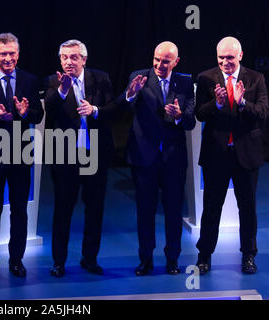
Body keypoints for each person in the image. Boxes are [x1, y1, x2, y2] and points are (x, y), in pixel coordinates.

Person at [117, 41, 195, 276]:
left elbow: (191, 121)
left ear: (176, 62)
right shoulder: (138, 77)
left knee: (173, 210)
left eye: (165, 61)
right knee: (145, 211)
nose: (160, 64)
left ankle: (173, 258)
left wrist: (180, 116)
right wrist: (130, 94)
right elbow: (123, 107)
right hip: (144, 157)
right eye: (157, 59)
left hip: (173, 158)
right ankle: (146, 259)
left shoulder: (185, 82)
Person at [0, 33, 43, 280]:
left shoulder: (30, 80)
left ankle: (16, 260)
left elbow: (37, 115)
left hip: (21, 156)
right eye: (3, 53)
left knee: (19, 211)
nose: (8, 58)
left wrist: (24, 113)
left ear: (18, 54)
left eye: (12, 53)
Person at [195, 36, 268, 275]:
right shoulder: (206, 79)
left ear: (240, 55)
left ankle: (248, 255)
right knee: (211, 208)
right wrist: (216, 105)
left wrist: (242, 101)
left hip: (246, 155)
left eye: (230, 57)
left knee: (247, 208)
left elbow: (263, 114)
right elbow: (199, 115)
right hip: (216, 155)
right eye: (221, 58)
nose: (225, 62)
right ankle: (204, 256)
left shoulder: (256, 79)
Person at [44, 39, 116, 277]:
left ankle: (90, 258)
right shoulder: (53, 82)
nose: (68, 62)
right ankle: (59, 262)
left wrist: (94, 110)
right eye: (64, 57)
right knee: (63, 210)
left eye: (73, 57)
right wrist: (63, 90)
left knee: (95, 209)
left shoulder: (101, 78)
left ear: (84, 59)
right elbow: (50, 113)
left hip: (95, 154)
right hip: (65, 157)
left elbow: (112, 111)